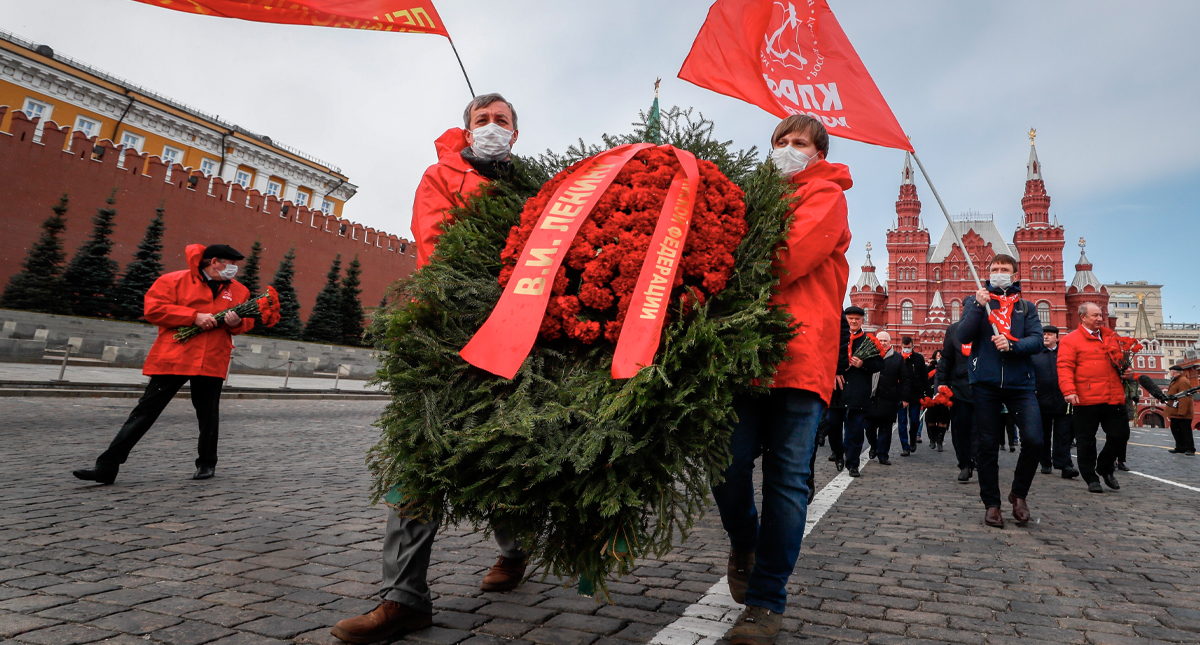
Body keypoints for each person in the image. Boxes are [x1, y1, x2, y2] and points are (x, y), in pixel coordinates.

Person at [333, 95, 527, 644]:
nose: (491, 128)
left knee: (507, 449)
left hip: (518, 336)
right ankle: (404, 597)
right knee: (418, 456)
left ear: (517, 132)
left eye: (502, 121)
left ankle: (515, 550)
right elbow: (438, 245)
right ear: (466, 130)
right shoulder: (441, 175)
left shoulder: (535, 188)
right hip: (444, 332)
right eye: (481, 120)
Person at [711, 114, 852, 645]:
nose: (789, 150)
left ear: (819, 155)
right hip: (745, 356)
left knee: (788, 482)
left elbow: (785, 257)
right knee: (725, 465)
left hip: (800, 356)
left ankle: (766, 603)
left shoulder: (826, 196)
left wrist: (716, 261)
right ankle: (743, 542)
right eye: (782, 142)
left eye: (800, 144)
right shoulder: (752, 198)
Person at [72, 244, 253, 484]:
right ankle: (106, 467)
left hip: (211, 359)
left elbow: (247, 323)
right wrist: (193, 317)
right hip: (175, 357)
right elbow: (154, 310)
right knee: (145, 413)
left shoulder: (240, 291)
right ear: (214, 262)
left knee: (208, 416)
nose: (235, 269)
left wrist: (236, 322)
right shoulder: (175, 280)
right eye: (231, 264)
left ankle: (207, 464)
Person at [958, 254, 1044, 529]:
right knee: (986, 445)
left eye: (1004, 269)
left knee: (1034, 440)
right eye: (994, 269)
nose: (998, 273)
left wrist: (1012, 345)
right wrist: (976, 306)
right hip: (985, 382)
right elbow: (963, 335)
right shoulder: (977, 302)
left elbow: (1037, 342)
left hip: (1021, 384)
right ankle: (991, 504)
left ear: (1015, 275)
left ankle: (1018, 494)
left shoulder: (1027, 308)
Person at [1057, 302, 1135, 495]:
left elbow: (1121, 364)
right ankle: (1090, 477)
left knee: (1120, 435)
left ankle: (1105, 467)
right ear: (1082, 317)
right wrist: (1068, 390)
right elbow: (1064, 366)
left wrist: (1128, 372)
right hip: (1086, 398)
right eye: (1095, 316)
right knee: (1086, 441)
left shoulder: (1111, 338)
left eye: (1100, 315)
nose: (1100, 318)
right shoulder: (1071, 340)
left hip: (1113, 395)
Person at [830, 306, 884, 478]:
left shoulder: (869, 341)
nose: (853, 321)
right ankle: (838, 453)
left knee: (855, 430)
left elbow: (880, 365)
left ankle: (853, 464)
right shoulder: (836, 339)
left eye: (857, 319)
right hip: (837, 390)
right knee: (832, 424)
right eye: (850, 318)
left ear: (862, 320)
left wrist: (864, 364)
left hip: (859, 391)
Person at [1031, 325, 1078, 477]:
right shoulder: (1034, 354)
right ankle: (1045, 463)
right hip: (1040, 401)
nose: (1046, 337)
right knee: (1043, 434)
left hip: (1063, 400)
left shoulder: (1064, 354)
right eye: (1044, 334)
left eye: (1050, 334)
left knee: (1063, 435)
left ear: (1057, 338)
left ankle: (1064, 465)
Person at [937, 321, 975, 481]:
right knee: (960, 428)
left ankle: (978, 459)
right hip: (959, 387)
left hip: (984, 387)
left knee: (983, 428)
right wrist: (942, 384)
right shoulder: (954, 330)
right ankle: (964, 464)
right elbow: (946, 358)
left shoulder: (991, 327)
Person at [869, 331, 911, 465]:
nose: (882, 343)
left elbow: (904, 379)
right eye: (879, 340)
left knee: (886, 429)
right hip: (871, 397)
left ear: (890, 342)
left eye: (884, 341)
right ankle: (874, 445)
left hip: (889, 398)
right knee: (869, 427)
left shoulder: (897, 358)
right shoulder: (870, 355)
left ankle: (883, 455)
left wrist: (904, 398)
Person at [898, 336, 927, 449]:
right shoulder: (898, 358)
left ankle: (913, 436)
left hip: (915, 394)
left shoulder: (918, 358)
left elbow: (924, 377)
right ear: (901, 346)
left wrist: (927, 394)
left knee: (915, 420)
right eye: (905, 348)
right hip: (901, 395)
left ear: (913, 346)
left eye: (908, 348)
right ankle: (905, 446)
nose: (906, 350)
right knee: (902, 422)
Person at [1165, 365, 1196, 455]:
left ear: (1174, 372)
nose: (1170, 373)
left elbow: (1184, 398)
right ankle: (1180, 447)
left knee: (1185, 431)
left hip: (1182, 412)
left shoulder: (1182, 381)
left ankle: (1190, 448)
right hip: (1175, 411)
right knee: (1175, 429)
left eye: (1171, 372)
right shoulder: (1177, 380)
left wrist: (1182, 412)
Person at [924, 350, 950, 451]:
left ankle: (940, 441)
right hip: (932, 396)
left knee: (943, 419)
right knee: (930, 419)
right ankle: (932, 439)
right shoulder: (930, 368)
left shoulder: (947, 367)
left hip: (944, 397)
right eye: (938, 356)